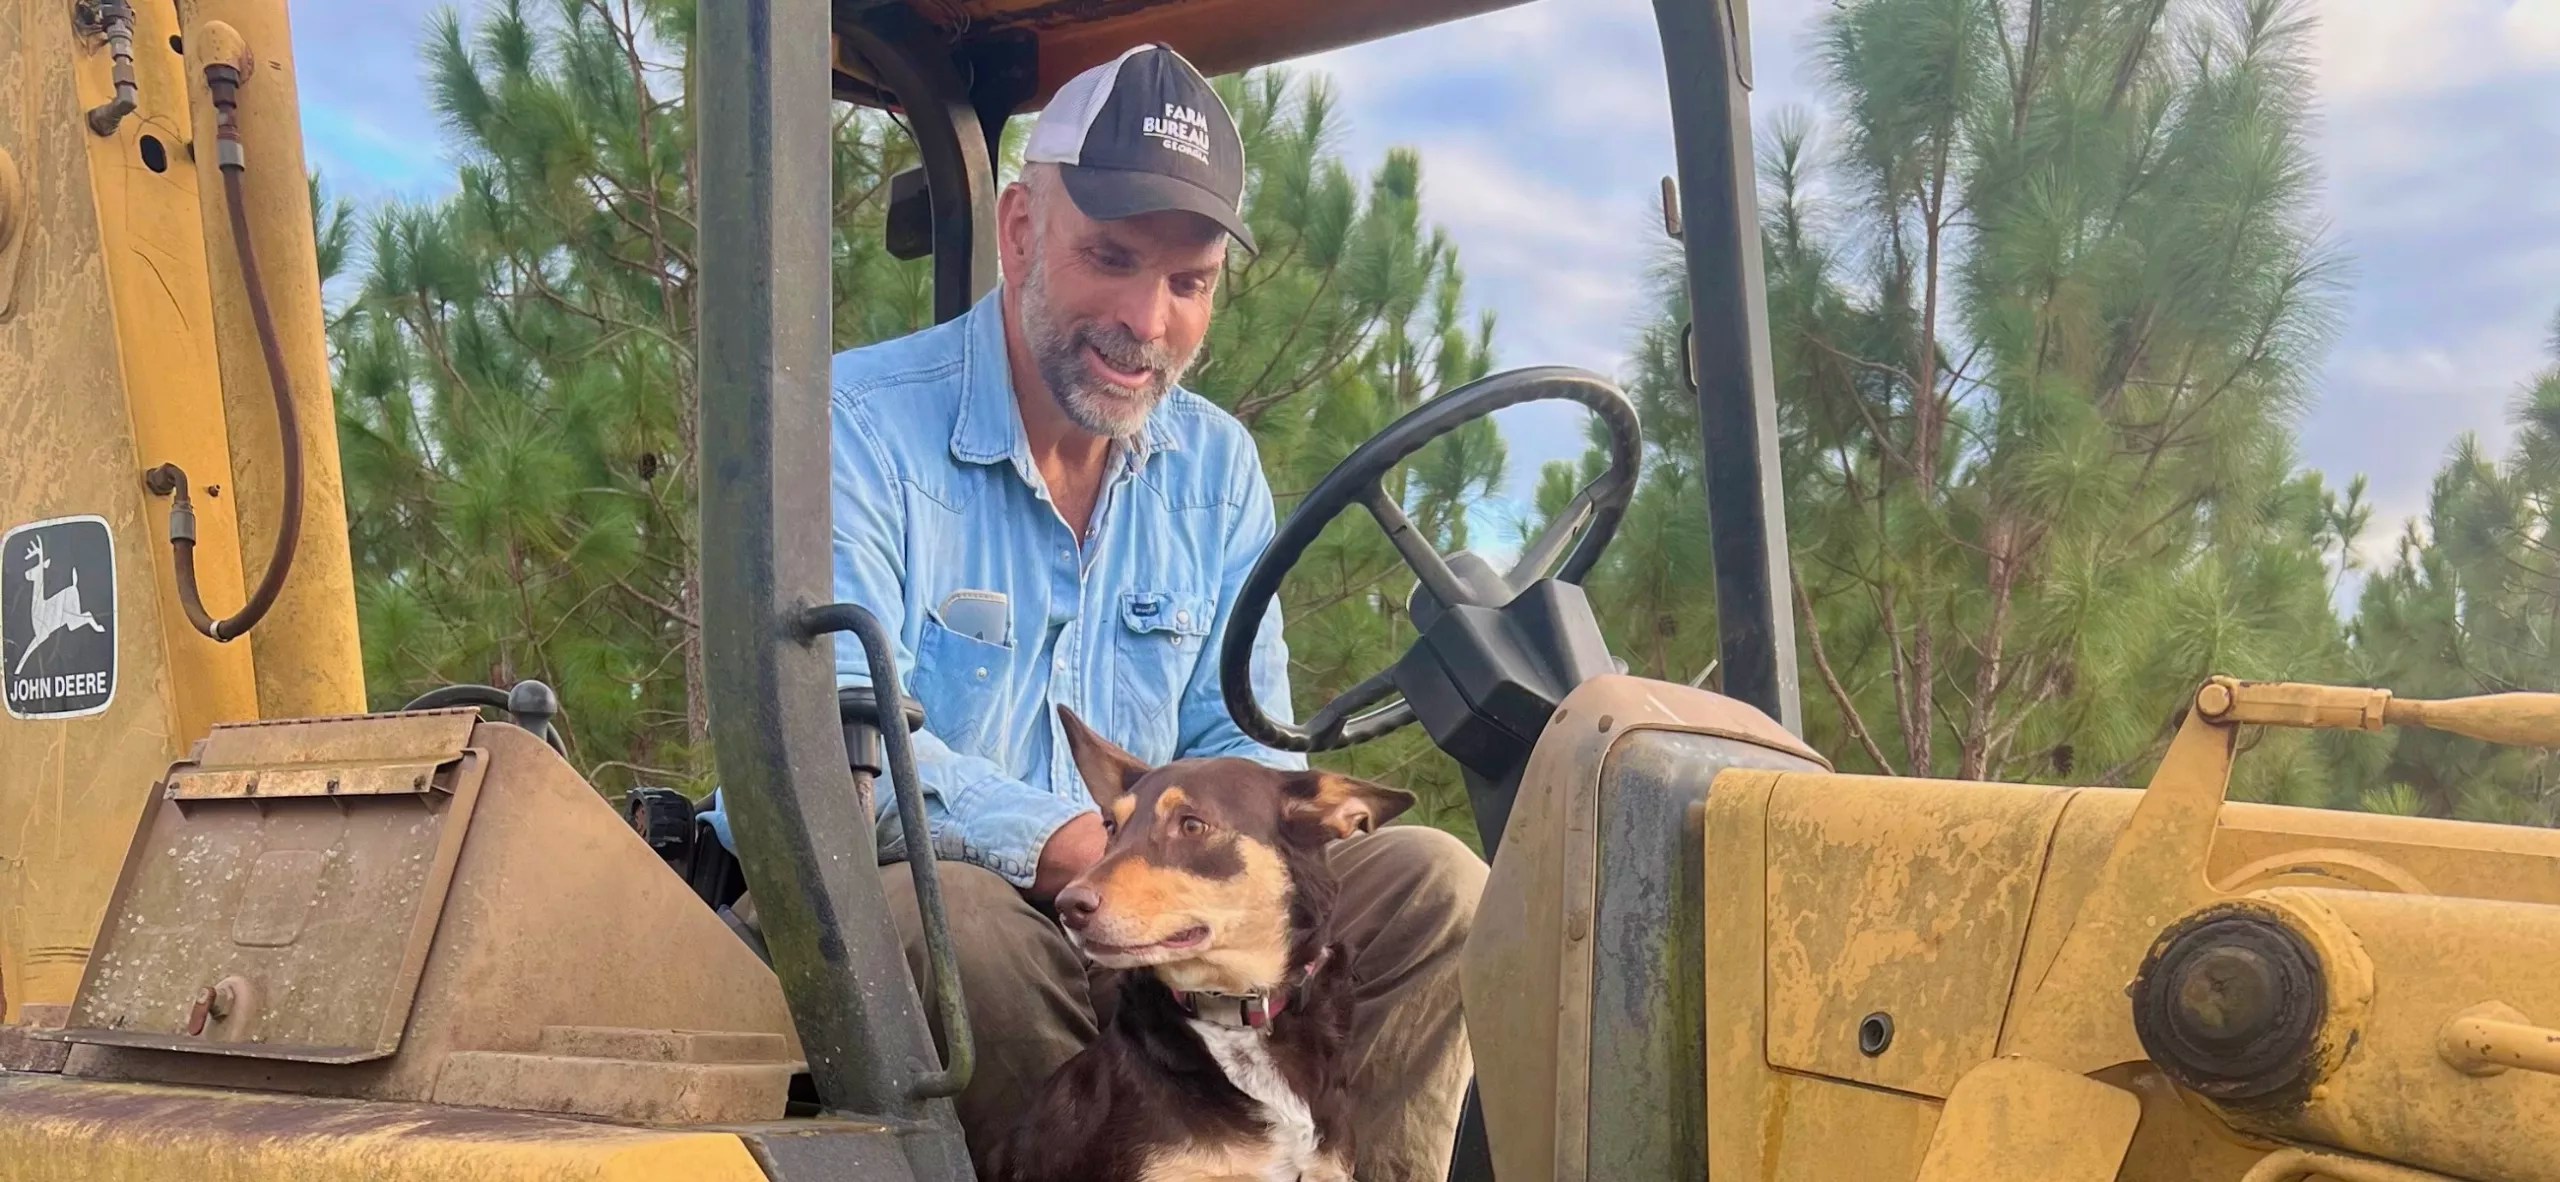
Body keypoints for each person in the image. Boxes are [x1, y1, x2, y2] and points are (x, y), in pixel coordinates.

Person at [821, 43, 1484, 1182]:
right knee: (949, 929)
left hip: (1155, 910)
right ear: (1022, 229)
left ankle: (1338, 1164)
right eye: (1112, 259)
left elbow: (1242, 747)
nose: (1146, 319)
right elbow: (835, 750)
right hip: (976, 912)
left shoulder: (1215, 466)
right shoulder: (859, 423)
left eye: (1188, 283)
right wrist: (1091, 847)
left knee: (1433, 885)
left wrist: (1197, 869)